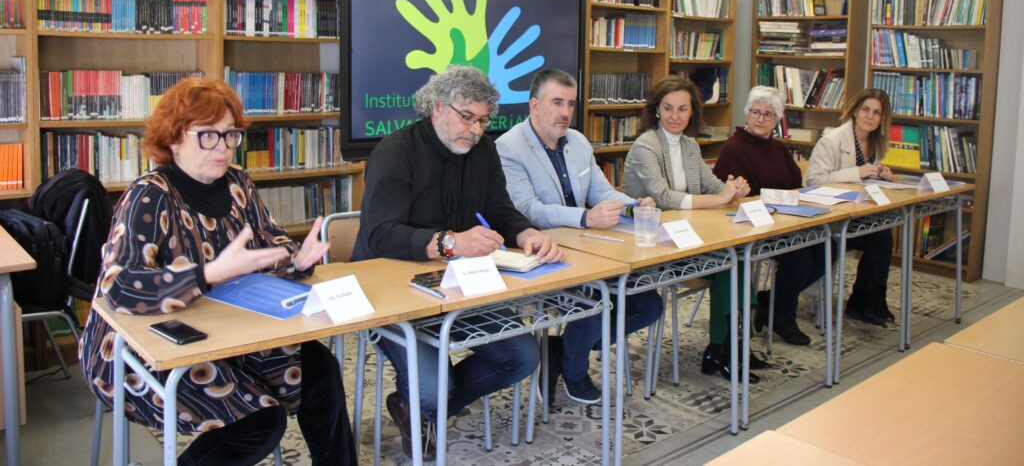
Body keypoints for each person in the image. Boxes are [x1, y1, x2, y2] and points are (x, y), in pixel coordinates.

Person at [79, 77, 354, 466]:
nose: (223, 147)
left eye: (230, 135)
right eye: (208, 136)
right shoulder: (149, 195)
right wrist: (206, 274)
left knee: (319, 368)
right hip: (139, 352)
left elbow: (269, 245)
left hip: (229, 333)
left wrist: (296, 261)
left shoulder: (238, 182)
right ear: (174, 138)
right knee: (260, 422)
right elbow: (119, 288)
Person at [352, 65, 564, 460]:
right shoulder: (395, 152)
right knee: (433, 387)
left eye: (483, 120)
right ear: (437, 108)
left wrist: (527, 235)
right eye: (467, 117)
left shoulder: (483, 151)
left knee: (521, 357)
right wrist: (451, 243)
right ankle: (427, 401)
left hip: (460, 285)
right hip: (390, 294)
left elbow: (501, 211)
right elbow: (380, 234)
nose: (476, 130)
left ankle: (421, 407)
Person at [495, 68, 662, 405]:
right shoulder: (508, 147)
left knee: (649, 303)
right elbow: (527, 209)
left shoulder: (579, 141)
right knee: (598, 300)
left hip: (589, 246)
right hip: (543, 251)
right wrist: (585, 217)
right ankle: (574, 368)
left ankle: (564, 346)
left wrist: (634, 206)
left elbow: (602, 192)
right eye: (557, 102)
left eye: (570, 104)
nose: (566, 112)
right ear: (534, 105)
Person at [622, 76, 760, 382]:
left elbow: (711, 185)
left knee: (738, 259)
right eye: (668, 108)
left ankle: (729, 347)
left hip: (688, 239)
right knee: (730, 264)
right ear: (656, 110)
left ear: (692, 113)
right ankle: (724, 349)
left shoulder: (689, 145)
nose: (675, 116)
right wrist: (719, 199)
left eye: (682, 109)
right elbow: (664, 198)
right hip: (651, 245)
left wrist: (733, 189)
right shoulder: (646, 146)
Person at [713, 86, 830, 346]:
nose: (760, 119)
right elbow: (732, 196)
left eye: (768, 114)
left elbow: (795, 183)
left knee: (826, 247)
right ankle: (782, 317)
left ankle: (771, 301)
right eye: (755, 112)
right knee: (799, 258)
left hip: (785, 222)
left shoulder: (778, 148)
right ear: (747, 113)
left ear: (777, 119)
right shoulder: (734, 148)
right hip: (751, 226)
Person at [805, 88, 896, 325]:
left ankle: (869, 298)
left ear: (882, 118)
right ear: (855, 110)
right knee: (879, 237)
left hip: (854, 215)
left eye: (877, 113)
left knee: (882, 234)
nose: (870, 116)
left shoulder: (875, 143)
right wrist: (857, 172)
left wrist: (881, 175)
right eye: (865, 109)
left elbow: (864, 181)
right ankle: (865, 301)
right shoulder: (832, 140)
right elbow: (813, 181)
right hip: (828, 220)